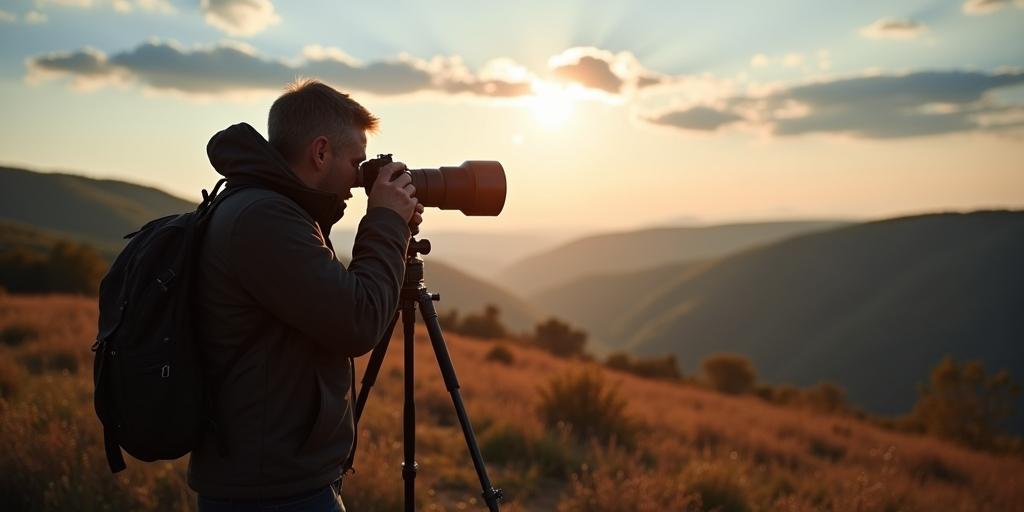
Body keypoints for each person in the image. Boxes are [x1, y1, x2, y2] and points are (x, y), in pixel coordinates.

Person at [188, 79, 423, 511]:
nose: (359, 179)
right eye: (355, 162)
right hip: (273, 490)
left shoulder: (268, 209)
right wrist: (387, 222)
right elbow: (358, 321)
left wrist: (390, 225)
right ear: (320, 152)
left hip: (274, 476)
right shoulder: (264, 219)